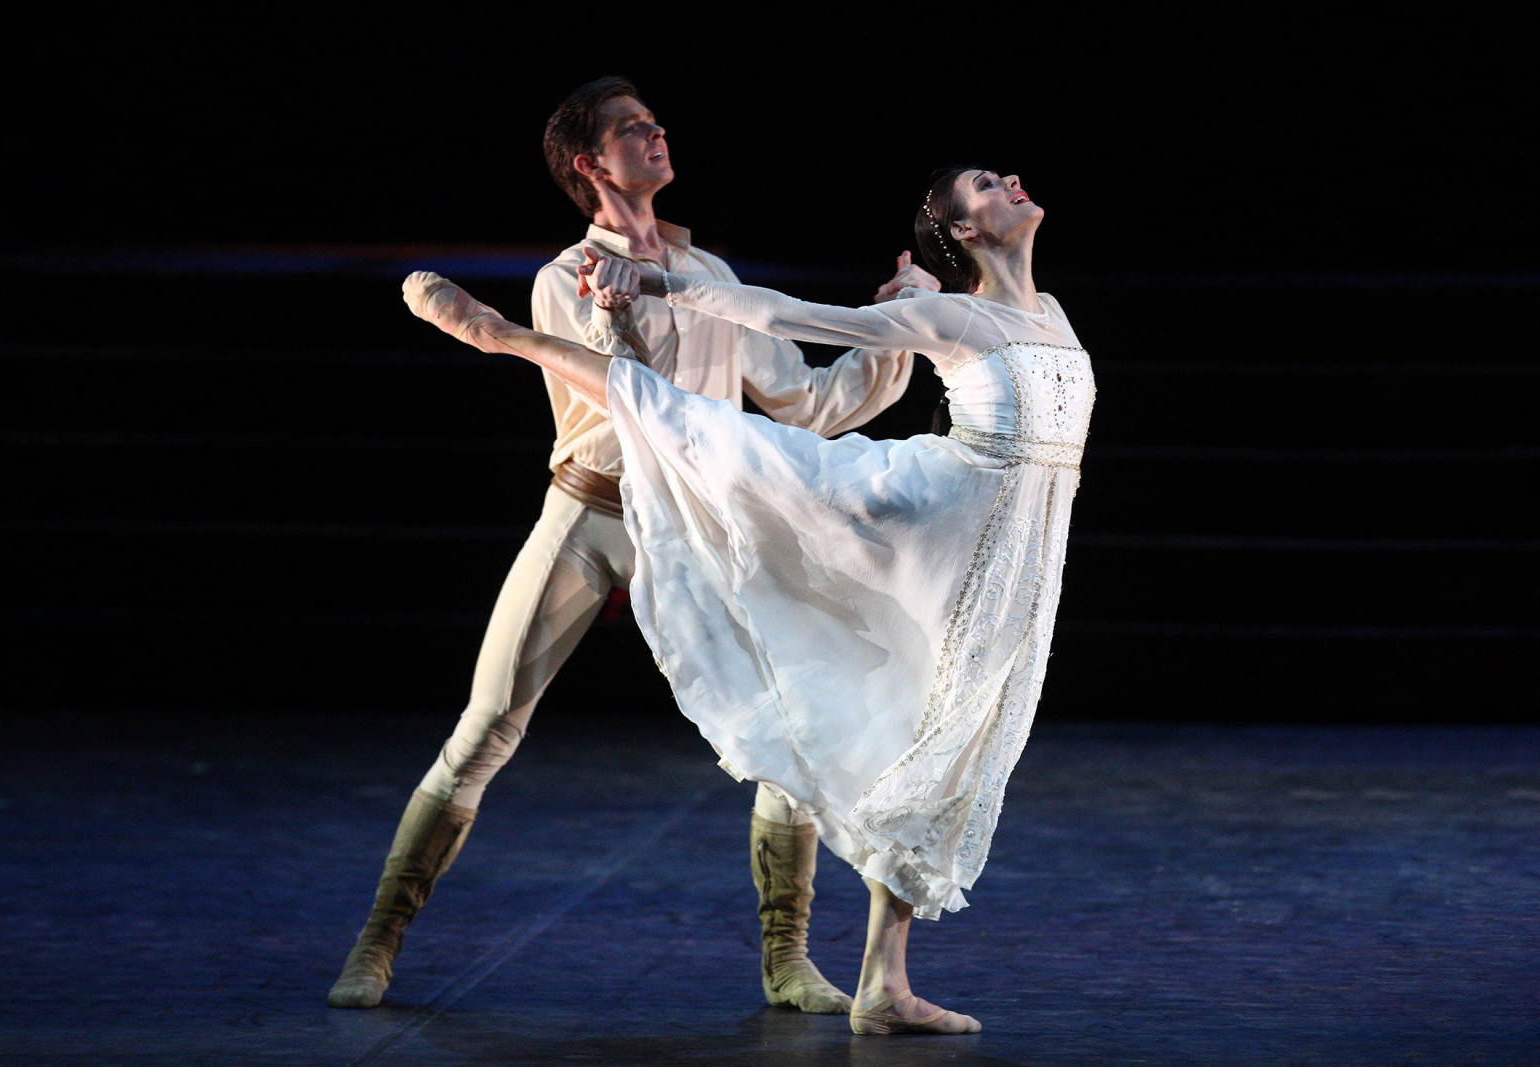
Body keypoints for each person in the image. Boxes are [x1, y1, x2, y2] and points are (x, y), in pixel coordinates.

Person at [399, 164, 1092, 1035]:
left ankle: (883, 984)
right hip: (925, 517)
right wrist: (659, 284)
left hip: (1013, 555)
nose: (1013, 181)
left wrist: (910, 297)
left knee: (946, 743)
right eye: (989, 184)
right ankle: (502, 334)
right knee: (701, 431)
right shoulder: (956, 317)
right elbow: (788, 317)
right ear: (967, 230)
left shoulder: (1050, 312)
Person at [328, 76, 929, 1013]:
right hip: (592, 514)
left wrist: (895, 331)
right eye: (633, 129)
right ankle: (378, 941)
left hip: (695, 527)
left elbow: (810, 401)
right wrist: (602, 318)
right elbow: (634, 402)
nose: (656, 133)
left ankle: (786, 958)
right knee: (487, 726)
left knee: (789, 734)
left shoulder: (710, 275)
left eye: (653, 123)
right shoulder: (564, 276)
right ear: (591, 163)